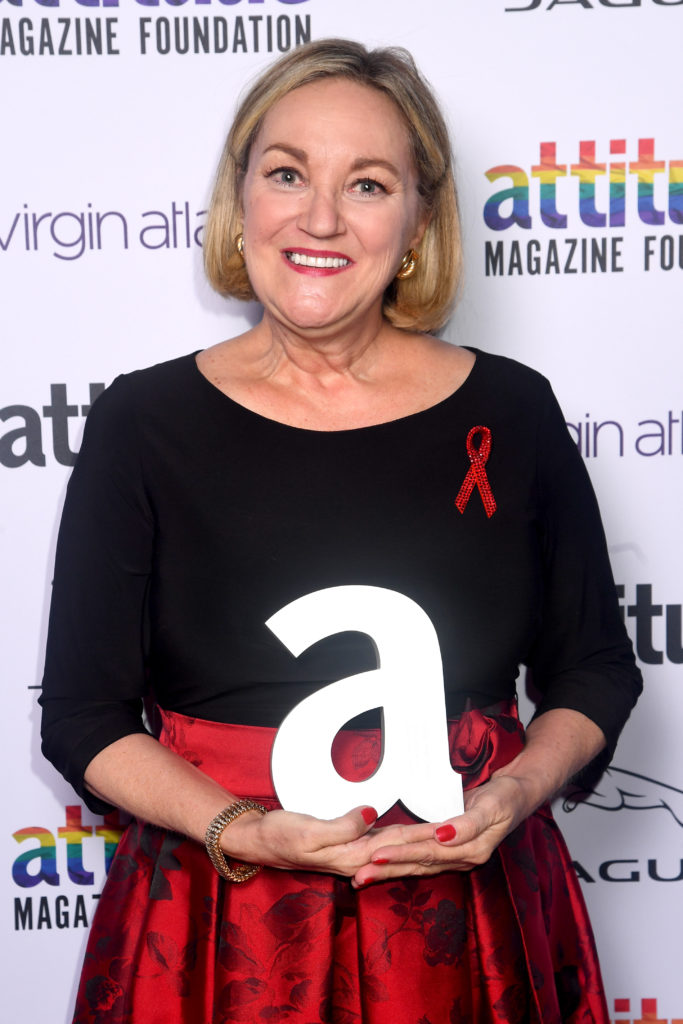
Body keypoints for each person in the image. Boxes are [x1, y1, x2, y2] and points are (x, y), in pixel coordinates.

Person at [41, 38, 642, 1024]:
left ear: (415, 224)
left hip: (464, 921)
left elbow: (590, 673)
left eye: (365, 184)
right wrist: (241, 828)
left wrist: (513, 794)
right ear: (243, 202)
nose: (318, 217)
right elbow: (82, 717)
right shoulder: (139, 424)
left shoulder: (514, 409)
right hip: (217, 917)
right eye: (287, 174)